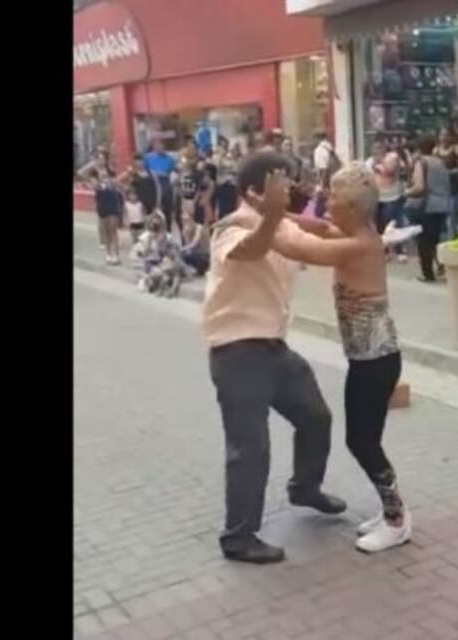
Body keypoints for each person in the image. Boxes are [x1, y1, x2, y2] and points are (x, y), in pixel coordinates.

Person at [204, 151, 348, 564]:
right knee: (250, 448)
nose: (291, 187)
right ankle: (238, 538)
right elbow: (251, 249)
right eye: (281, 181)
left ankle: (305, 488)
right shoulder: (230, 229)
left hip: (273, 349)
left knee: (315, 416)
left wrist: (357, 241)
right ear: (254, 191)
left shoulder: (281, 224)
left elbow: (311, 243)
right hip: (236, 352)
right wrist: (273, 217)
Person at [288, 162, 411, 552]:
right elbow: (320, 229)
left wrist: (261, 224)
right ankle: (391, 511)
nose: (325, 200)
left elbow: (306, 247)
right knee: (363, 438)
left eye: (334, 197)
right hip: (368, 359)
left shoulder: (361, 244)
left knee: (361, 441)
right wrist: (271, 215)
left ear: (355, 208)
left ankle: (397, 520)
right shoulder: (356, 232)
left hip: (377, 361)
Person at [404, 136, 452, 283]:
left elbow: (420, 187)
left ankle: (427, 274)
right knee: (436, 239)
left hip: (427, 206)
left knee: (424, 241)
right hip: (442, 205)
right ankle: (443, 267)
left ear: (417, 151)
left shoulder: (421, 162)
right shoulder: (440, 162)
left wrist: (406, 192)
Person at [365, 139, 407, 263]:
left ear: (384, 149)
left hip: (392, 196)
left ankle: (400, 251)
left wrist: (378, 166)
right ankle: (384, 252)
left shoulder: (392, 157)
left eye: (379, 148)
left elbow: (390, 171)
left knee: (393, 224)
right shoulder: (369, 162)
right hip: (377, 197)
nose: (377, 151)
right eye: (375, 149)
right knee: (379, 225)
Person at [79, 150, 122, 265]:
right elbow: (81, 173)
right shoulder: (93, 173)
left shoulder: (110, 170)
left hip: (112, 199)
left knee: (113, 228)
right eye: (99, 159)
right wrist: (92, 165)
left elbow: (116, 181)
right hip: (101, 200)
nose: (101, 161)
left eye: (103, 159)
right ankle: (109, 254)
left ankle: (116, 255)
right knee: (106, 229)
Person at [144, 138, 177, 234]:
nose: (159, 148)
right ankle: (152, 233)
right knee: (153, 211)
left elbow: (175, 172)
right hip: (152, 184)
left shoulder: (170, 159)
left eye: (161, 146)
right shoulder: (148, 158)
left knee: (167, 211)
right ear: (154, 147)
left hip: (166, 183)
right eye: (157, 146)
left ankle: (167, 233)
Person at [435, 128, 458, 237]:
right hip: (440, 189)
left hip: (453, 188)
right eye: (442, 135)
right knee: (442, 217)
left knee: (452, 217)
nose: (444, 138)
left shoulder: (456, 150)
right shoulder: (435, 151)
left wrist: (449, 172)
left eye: (446, 135)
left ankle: (453, 238)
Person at [179, 208, 210, 276]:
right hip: (195, 253)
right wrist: (186, 233)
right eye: (183, 220)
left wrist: (181, 249)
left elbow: (194, 244)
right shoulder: (185, 229)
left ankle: (202, 269)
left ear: (191, 218)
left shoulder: (199, 227)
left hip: (204, 255)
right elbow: (188, 245)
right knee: (182, 255)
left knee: (183, 253)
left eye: (186, 219)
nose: (185, 222)